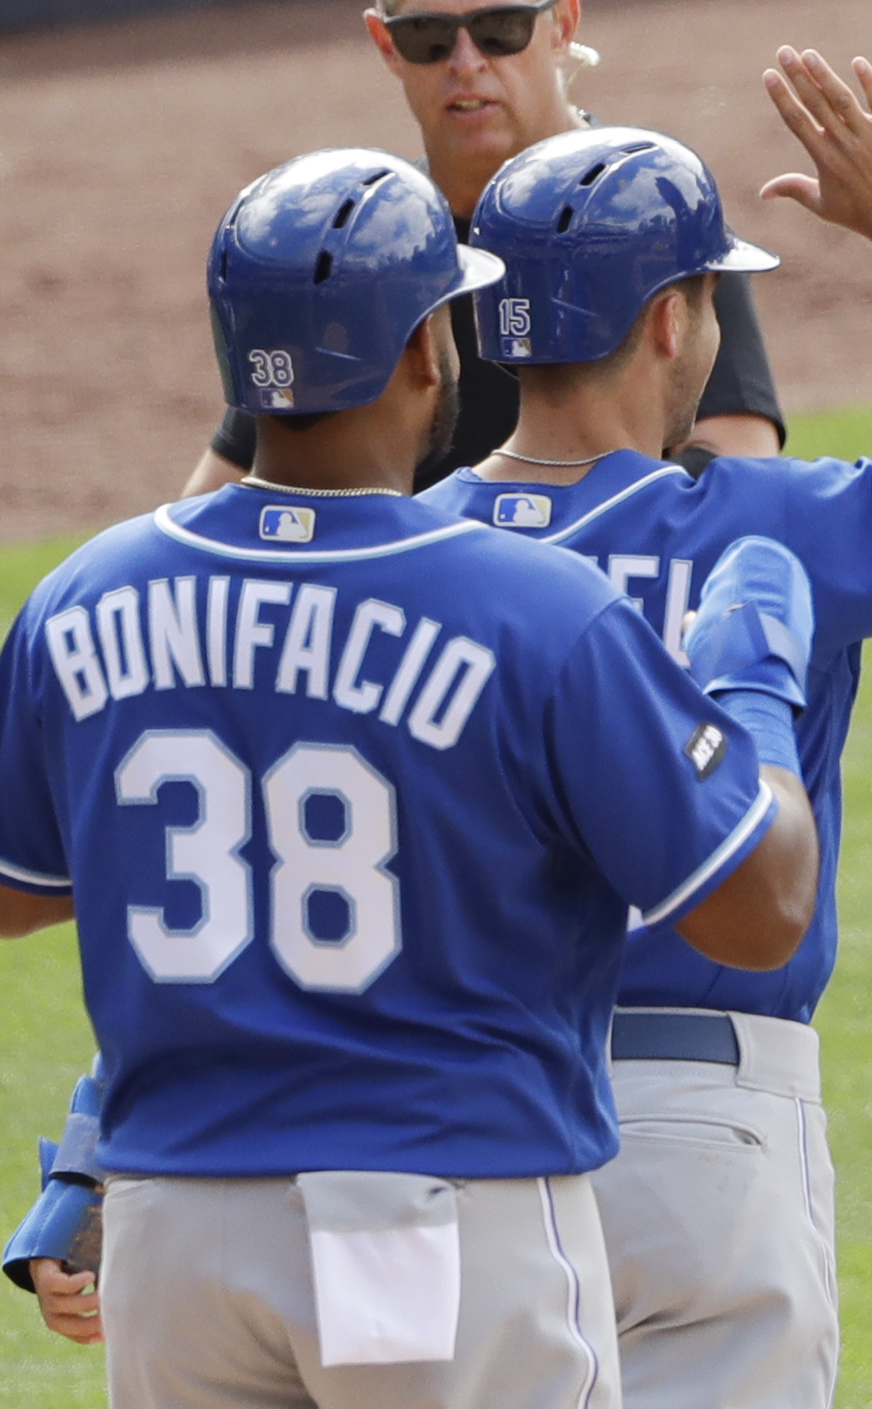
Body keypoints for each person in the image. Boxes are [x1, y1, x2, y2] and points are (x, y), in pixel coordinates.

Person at [0, 147, 822, 1408]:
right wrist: (754, 682)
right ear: (431, 353)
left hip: (173, 1238)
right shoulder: (531, 608)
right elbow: (757, 909)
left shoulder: (81, 599)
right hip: (429, 1214)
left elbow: (19, 888)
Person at [405, 48, 872, 1409]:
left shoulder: (401, 555)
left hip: (461, 1127)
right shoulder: (767, 520)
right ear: (676, 321)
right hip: (699, 1133)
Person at [182, 0, 784, 502]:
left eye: (499, 27)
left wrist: (503, 552)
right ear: (386, 46)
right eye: (428, 35)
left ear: (561, 25)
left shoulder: (651, 212)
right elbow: (218, 499)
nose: (466, 62)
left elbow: (739, 461)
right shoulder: (362, 247)